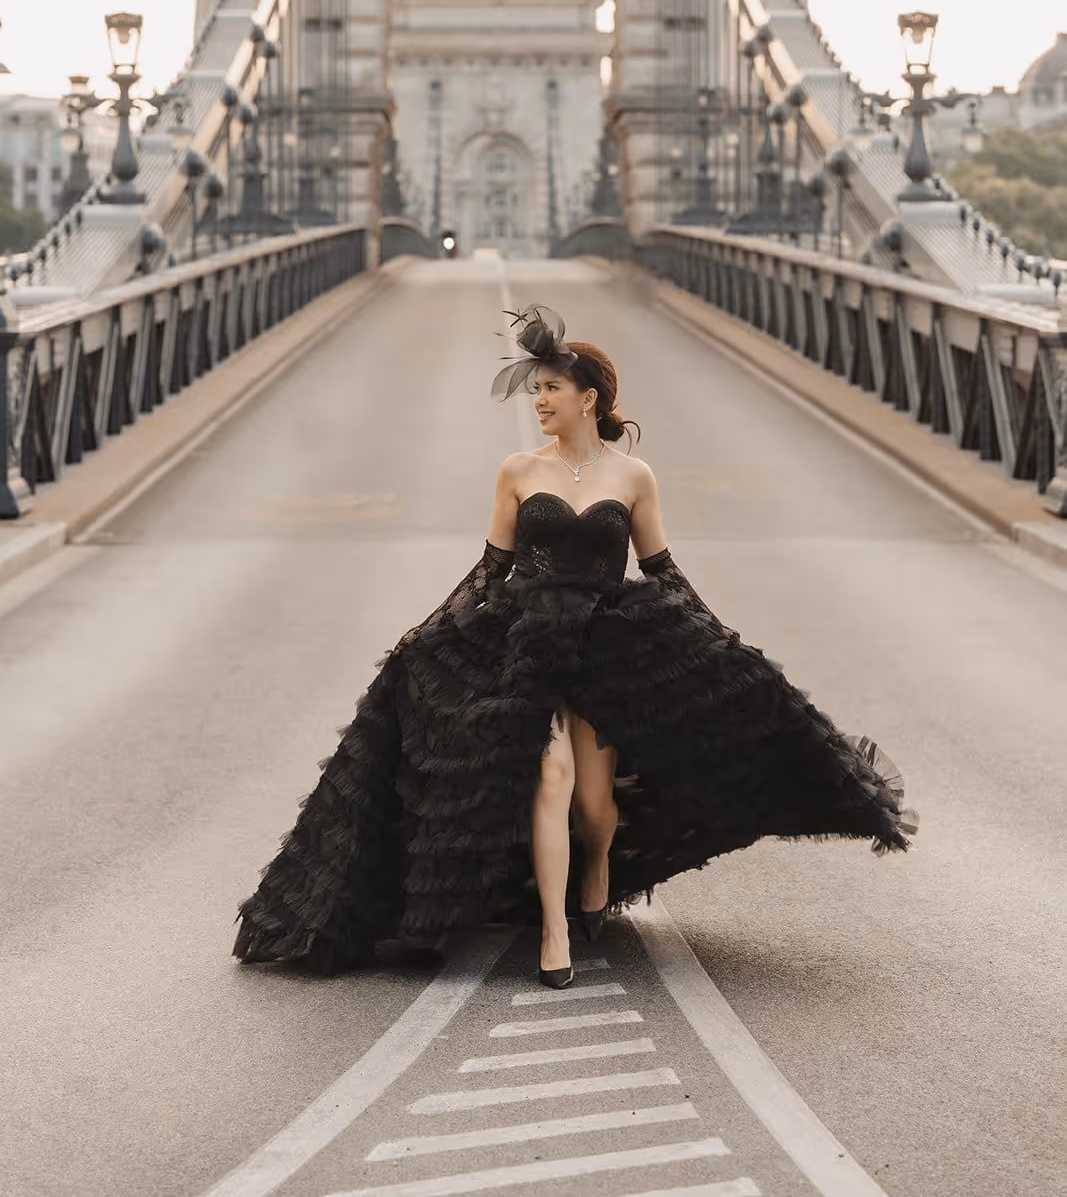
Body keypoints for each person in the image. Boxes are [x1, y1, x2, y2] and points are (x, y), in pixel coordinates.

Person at [232, 303, 917, 985]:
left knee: (593, 805)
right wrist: (429, 631)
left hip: (606, 646)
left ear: (588, 398)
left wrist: (718, 637)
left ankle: (595, 871)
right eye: (534, 390)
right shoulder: (517, 470)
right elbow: (489, 568)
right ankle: (555, 932)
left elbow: (660, 569)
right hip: (525, 641)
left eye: (551, 389)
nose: (539, 401)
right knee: (549, 776)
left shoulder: (633, 476)